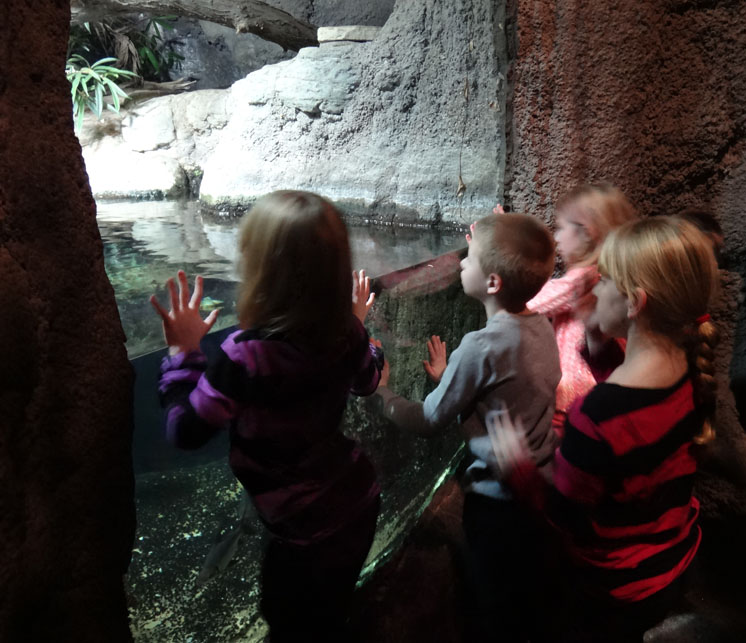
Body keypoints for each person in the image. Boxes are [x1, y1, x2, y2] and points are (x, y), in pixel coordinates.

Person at [150, 191, 384, 643]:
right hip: (358, 502)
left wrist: (183, 353)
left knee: (287, 621)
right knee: (332, 612)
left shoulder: (245, 355)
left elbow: (185, 430)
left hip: (303, 529)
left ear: (260, 269)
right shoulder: (347, 332)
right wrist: (361, 328)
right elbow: (368, 381)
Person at [490, 216, 720, 642]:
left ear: (634, 303)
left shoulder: (596, 416)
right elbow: (640, 421)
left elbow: (562, 518)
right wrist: (598, 350)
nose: (595, 291)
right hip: (675, 561)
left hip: (614, 590)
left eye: (605, 281)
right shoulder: (692, 372)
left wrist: (518, 469)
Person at [376, 212, 560, 642]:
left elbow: (428, 420)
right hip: (540, 486)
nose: (460, 262)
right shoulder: (541, 327)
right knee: (522, 588)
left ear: (492, 282)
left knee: (491, 596)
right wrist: (452, 379)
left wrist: (381, 394)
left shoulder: (479, 346)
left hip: (496, 500)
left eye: (470, 257)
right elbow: (507, 391)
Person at [527, 183, 636, 436]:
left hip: (574, 389)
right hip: (596, 383)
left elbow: (530, 303)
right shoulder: (602, 273)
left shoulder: (582, 278)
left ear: (586, 233)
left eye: (561, 228)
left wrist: (505, 254)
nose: (556, 237)